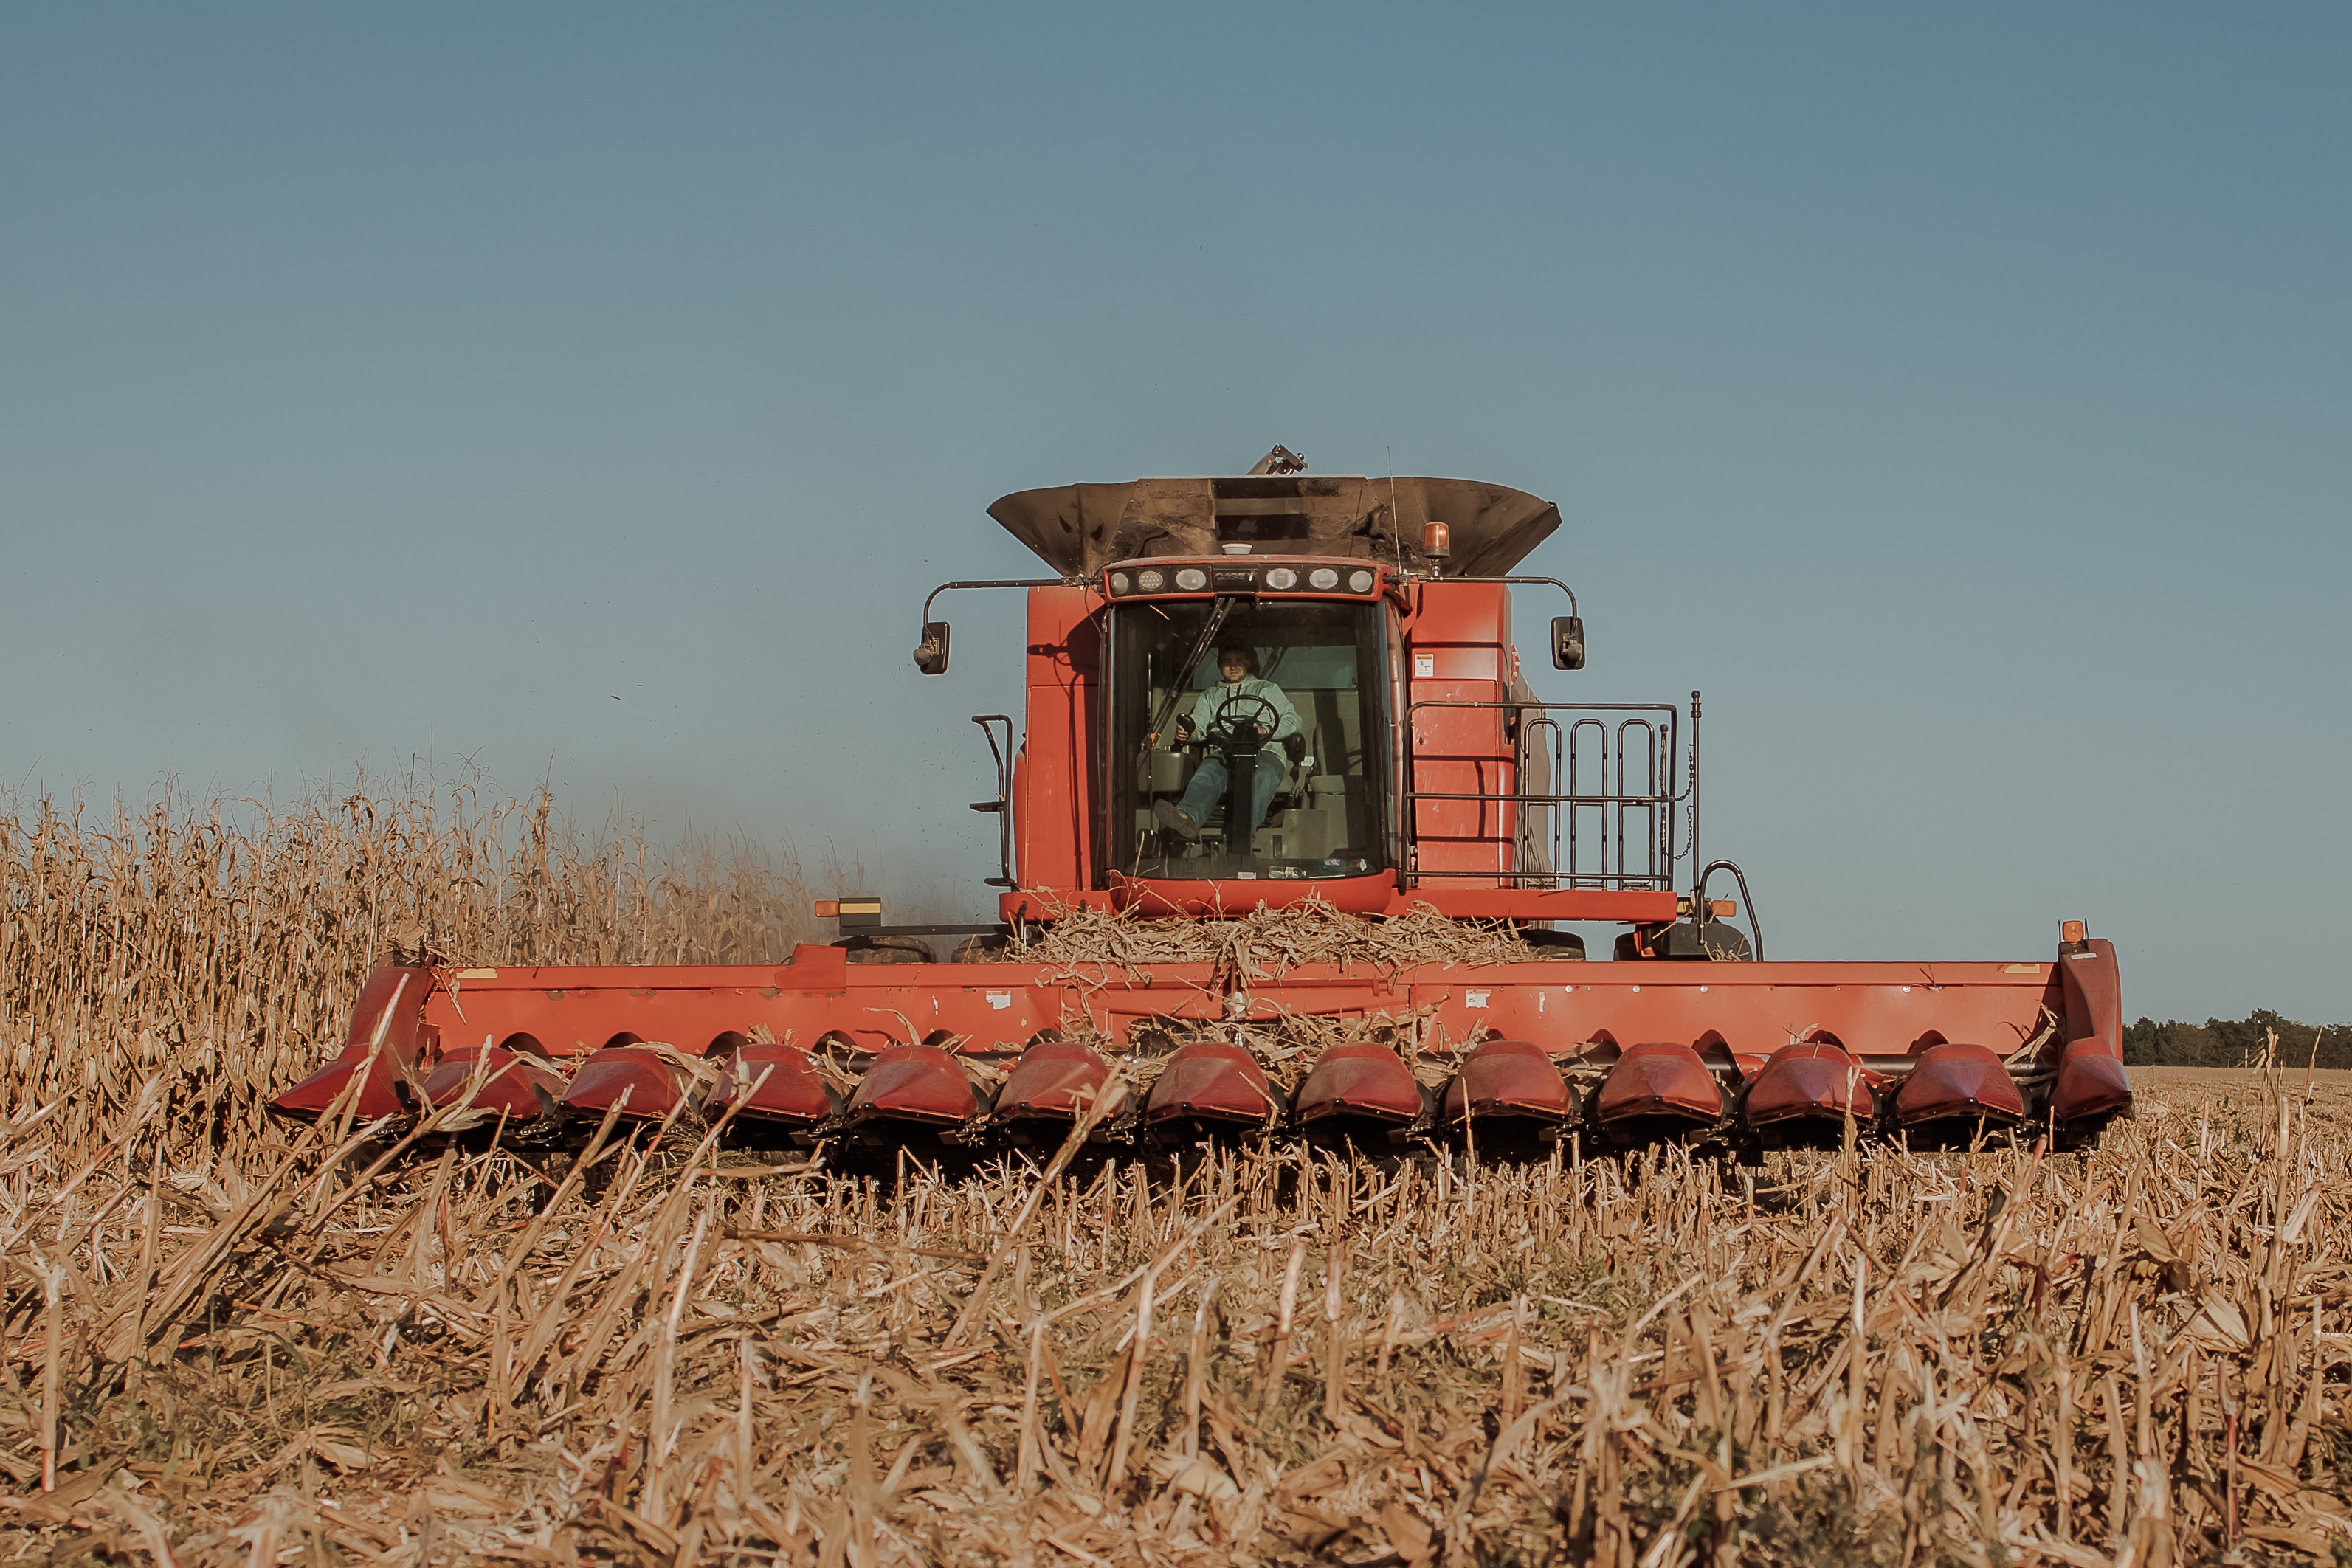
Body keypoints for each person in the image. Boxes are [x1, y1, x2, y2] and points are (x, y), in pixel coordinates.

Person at [1153, 643, 1302, 842]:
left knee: (1264, 777)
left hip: (1265, 751)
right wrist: (1188, 734)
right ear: (1219, 666)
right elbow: (1198, 725)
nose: (1233, 666)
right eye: (1227, 662)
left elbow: (1293, 720)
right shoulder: (1210, 696)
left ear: (1249, 663)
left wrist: (1265, 731)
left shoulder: (1268, 689)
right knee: (1206, 773)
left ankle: (1244, 833)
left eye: (1239, 661)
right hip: (1225, 751)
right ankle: (1187, 818)